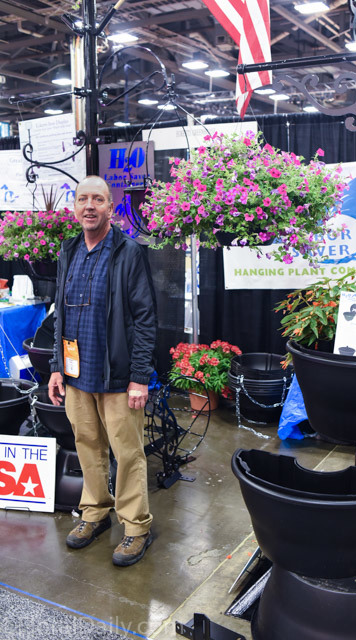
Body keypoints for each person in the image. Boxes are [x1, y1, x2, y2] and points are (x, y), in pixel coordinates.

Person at [48, 175, 157, 567]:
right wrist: (57, 368)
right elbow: (60, 314)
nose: (89, 206)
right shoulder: (69, 250)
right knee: (87, 445)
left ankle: (136, 527)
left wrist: (139, 377)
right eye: (83, 199)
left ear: (111, 207)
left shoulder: (129, 252)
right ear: (75, 207)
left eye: (98, 199)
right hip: (77, 374)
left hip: (117, 377)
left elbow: (145, 318)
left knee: (127, 453)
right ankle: (94, 512)